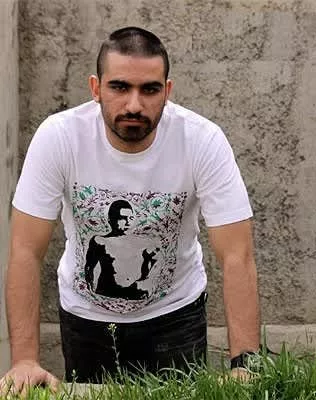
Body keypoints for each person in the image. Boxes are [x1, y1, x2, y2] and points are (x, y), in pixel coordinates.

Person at [0, 26, 260, 393]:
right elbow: (25, 250)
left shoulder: (202, 141)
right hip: (86, 322)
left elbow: (237, 254)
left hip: (174, 320)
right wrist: (24, 360)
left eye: (149, 89)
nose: (134, 105)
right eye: (119, 87)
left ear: (167, 91)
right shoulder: (59, 137)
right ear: (96, 88)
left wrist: (245, 364)